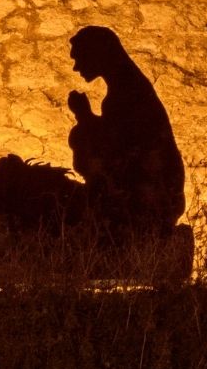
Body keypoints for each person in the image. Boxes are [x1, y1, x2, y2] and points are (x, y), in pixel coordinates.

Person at [67, 25, 185, 237]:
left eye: (79, 58)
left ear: (97, 55)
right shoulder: (127, 88)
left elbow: (118, 150)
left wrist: (84, 117)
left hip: (150, 197)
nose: (76, 68)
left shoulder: (125, 94)